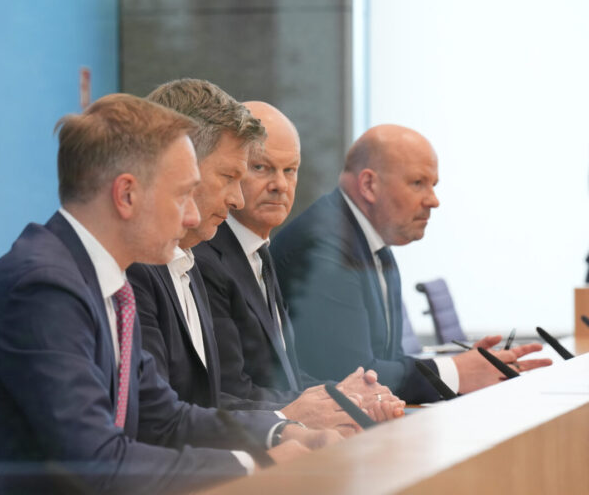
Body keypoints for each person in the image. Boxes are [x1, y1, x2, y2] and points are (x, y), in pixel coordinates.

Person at [0, 94, 334, 495]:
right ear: (126, 196)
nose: (194, 215)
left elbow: (165, 417)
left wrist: (280, 434)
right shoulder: (42, 289)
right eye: (182, 195)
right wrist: (254, 465)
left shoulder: (103, 280)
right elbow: (96, 464)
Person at [128, 80, 369, 434]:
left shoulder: (191, 259)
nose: (237, 198)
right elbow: (159, 420)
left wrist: (331, 403)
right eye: (233, 175)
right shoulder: (143, 266)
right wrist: (284, 423)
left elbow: (204, 401)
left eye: (291, 170)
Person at [270, 124, 552, 403]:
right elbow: (352, 377)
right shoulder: (325, 245)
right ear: (369, 185)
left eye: (433, 185)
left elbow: (385, 361)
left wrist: (467, 367)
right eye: (418, 183)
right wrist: (455, 371)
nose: (433, 200)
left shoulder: (375, 244)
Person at [193, 102, 403, 419]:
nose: (280, 185)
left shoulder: (259, 249)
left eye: (289, 170)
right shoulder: (205, 256)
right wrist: (334, 404)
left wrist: (348, 396)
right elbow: (230, 393)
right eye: (261, 168)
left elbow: (288, 379)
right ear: (232, 171)